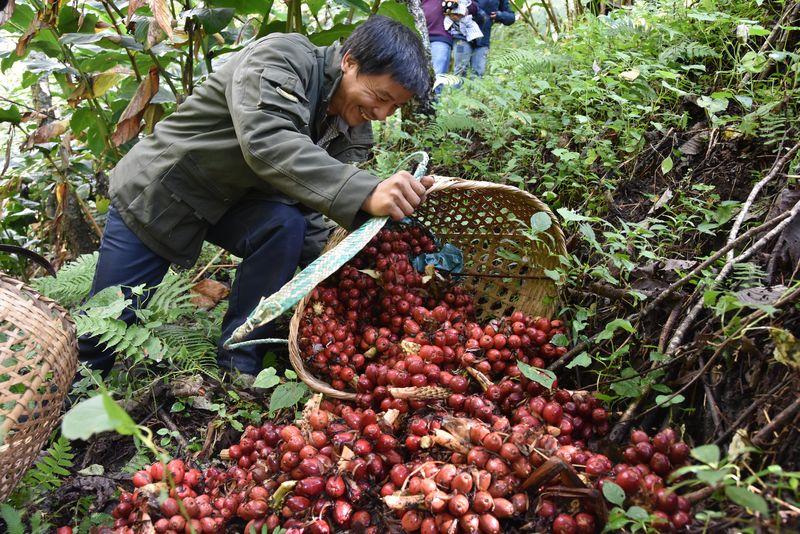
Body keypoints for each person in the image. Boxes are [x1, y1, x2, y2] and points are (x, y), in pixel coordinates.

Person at [78, 15, 434, 379]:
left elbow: (310, 199)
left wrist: (344, 258)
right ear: (349, 62)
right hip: (163, 191)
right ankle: (63, 404)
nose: (381, 113)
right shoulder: (281, 58)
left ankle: (240, 359)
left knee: (284, 226)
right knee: (105, 326)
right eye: (380, 97)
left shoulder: (351, 127)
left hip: (233, 200)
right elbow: (268, 141)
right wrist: (367, 190)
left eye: (394, 107)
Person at [453, 0, 515, 78]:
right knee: (460, 69)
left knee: (478, 73)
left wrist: (499, 15)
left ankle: (474, 90)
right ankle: (456, 90)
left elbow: (511, 17)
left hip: (482, 40)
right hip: (461, 37)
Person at [422, 0, 482, 78]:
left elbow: (475, 7)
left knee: (440, 73)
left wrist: (464, 8)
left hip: (445, 37)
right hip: (417, 33)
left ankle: (457, 87)